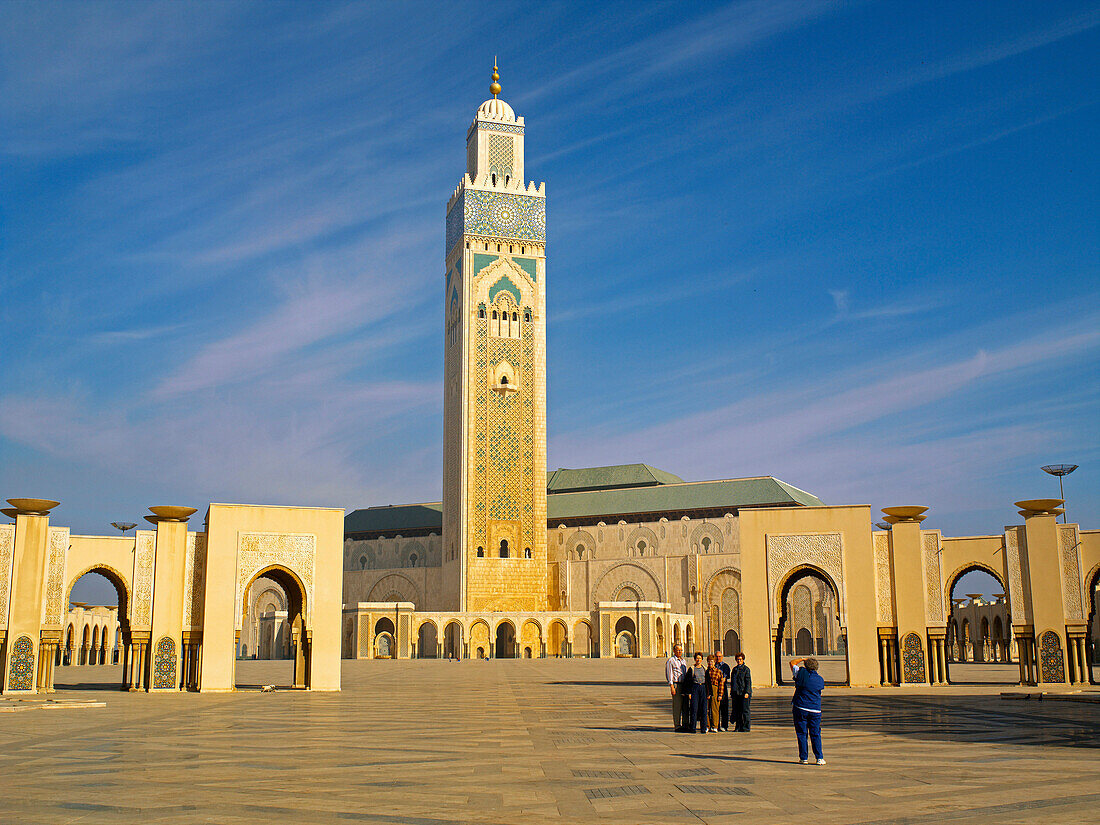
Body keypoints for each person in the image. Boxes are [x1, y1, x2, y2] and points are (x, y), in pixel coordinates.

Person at [790, 657, 825, 765]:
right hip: (815, 710)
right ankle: (819, 757)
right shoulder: (820, 679)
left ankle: (803, 758)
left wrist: (802, 659)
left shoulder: (800, 674)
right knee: (815, 734)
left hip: (801, 708)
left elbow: (792, 663)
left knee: (801, 733)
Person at [664, 643, 689, 731]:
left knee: (685, 706)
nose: (679, 651)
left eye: (681, 650)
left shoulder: (683, 661)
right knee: (677, 706)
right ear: (674, 651)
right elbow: (669, 673)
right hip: (676, 684)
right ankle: (677, 725)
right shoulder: (671, 661)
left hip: (684, 685)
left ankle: (685, 724)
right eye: (678, 650)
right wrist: (671, 686)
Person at [731, 652, 752, 731]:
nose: (739, 661)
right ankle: (738, 726)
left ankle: (746, 727)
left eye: (740, 659)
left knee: (745, 710)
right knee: (738, 710)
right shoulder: (735, 669)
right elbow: (733, 682)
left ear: (743, 660)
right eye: (737, 659)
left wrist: (747, 692)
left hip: (744, 693)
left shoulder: (746, 669)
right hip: (736, 693)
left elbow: (748, 682)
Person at [705, 654, 725, 733]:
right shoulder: (706, 671)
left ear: (715, 662)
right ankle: (707, 725)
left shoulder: (718, 671)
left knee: (715, 709)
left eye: (712, 662)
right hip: (707, 690)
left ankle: (715, 726)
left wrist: (720, 694)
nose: (710, 663)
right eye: (709, 662)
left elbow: (721, 684)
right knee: (706, 709)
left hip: (715, 689)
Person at [689, 652, 708, 732]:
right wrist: (689, 692)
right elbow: (688, 681)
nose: (698, 660)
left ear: (702, 659)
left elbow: (708, 681)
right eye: (697, 658)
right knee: (694, 708)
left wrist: (709, 693)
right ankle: (693, 727)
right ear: (694, 659)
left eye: (700, 658)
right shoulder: (692, 668)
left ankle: (703, 728)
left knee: (704, 708)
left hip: (703, 688)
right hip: (695, 688)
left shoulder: (705, 668)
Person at [715, 650, 732, 731]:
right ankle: (716, 725)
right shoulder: (713, 665)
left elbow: (724, 678)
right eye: (717, 656)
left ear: (722, 657)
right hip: (715, 688)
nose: (718, 658)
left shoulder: (725, 667)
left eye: (719, 656)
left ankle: (724, 725)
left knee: (724, 708)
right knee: (715, 707)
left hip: (722, 688)